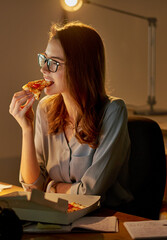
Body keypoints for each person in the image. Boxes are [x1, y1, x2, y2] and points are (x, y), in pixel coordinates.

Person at [9, 21, 133, 208]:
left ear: (80, 67)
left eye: (54, 63)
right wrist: (26, 130)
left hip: (105, 221)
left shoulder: (113, 112)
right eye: (44, 59)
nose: (43, 70)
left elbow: (89, 193)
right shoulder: (45, 108)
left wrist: (50, 187)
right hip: (59, 216)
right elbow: (32, 188)